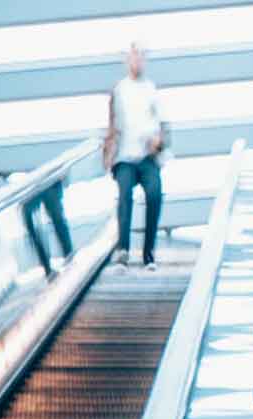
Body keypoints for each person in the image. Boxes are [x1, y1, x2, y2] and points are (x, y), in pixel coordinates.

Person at [103, 42, 170, 266]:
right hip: (124, 158)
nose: (137, 61)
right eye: (133, 57)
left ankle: (148, 252)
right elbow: (111, 123)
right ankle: (123, 249)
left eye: (140, 57)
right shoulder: (119, 89)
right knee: (124, 197)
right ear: (127, 61)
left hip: (147, 157)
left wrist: (158, 142)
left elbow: (162, 124)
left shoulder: (151, 89)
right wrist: (107, 155)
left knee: (154, 194)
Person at [22, 167, 74, 275]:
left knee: (57, 219)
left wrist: (63, 171)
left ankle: (69, 256)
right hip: (29, 184)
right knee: (31, 221)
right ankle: (47, 268)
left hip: (49, 178)